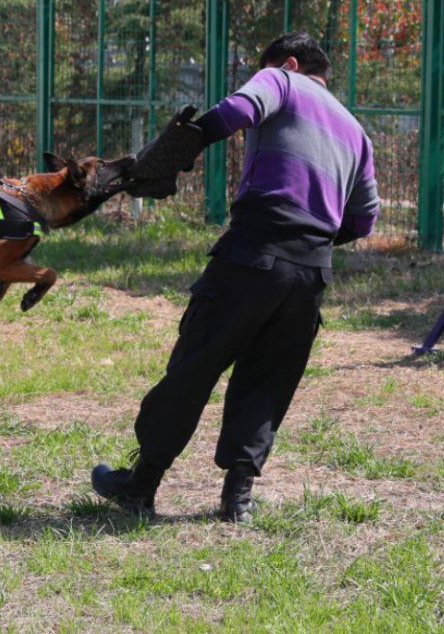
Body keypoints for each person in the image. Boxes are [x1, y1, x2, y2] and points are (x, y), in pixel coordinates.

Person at [91, 32, 380, 522]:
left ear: (289, 62)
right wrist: (310, 240)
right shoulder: (357, 133)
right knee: (269, 379)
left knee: (196, 364)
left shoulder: (281, 80)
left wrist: (185, 144)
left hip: (254, 251)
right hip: (310, 273)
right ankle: (236, 500)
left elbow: (239, 111)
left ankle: (140, 488)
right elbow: (363, 220)